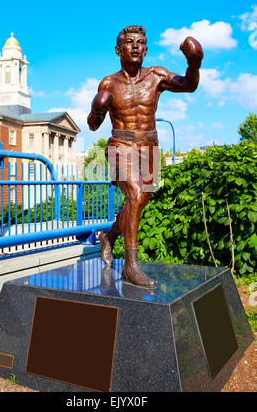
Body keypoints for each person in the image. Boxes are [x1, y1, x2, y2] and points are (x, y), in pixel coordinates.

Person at [87, 25, 203, 287]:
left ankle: (109, 236)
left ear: (146, 49)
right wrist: (97, 108)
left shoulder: (156, 76)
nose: (136, 46)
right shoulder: (108, 83)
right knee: (136, 194)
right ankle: (131, 265)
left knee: (137, 202)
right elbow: (93, 125)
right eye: (130, 42)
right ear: (119, 49)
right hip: (120, 144)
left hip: (149, 146)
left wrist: (194, 63)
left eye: (140, 42)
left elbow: (189, 85)